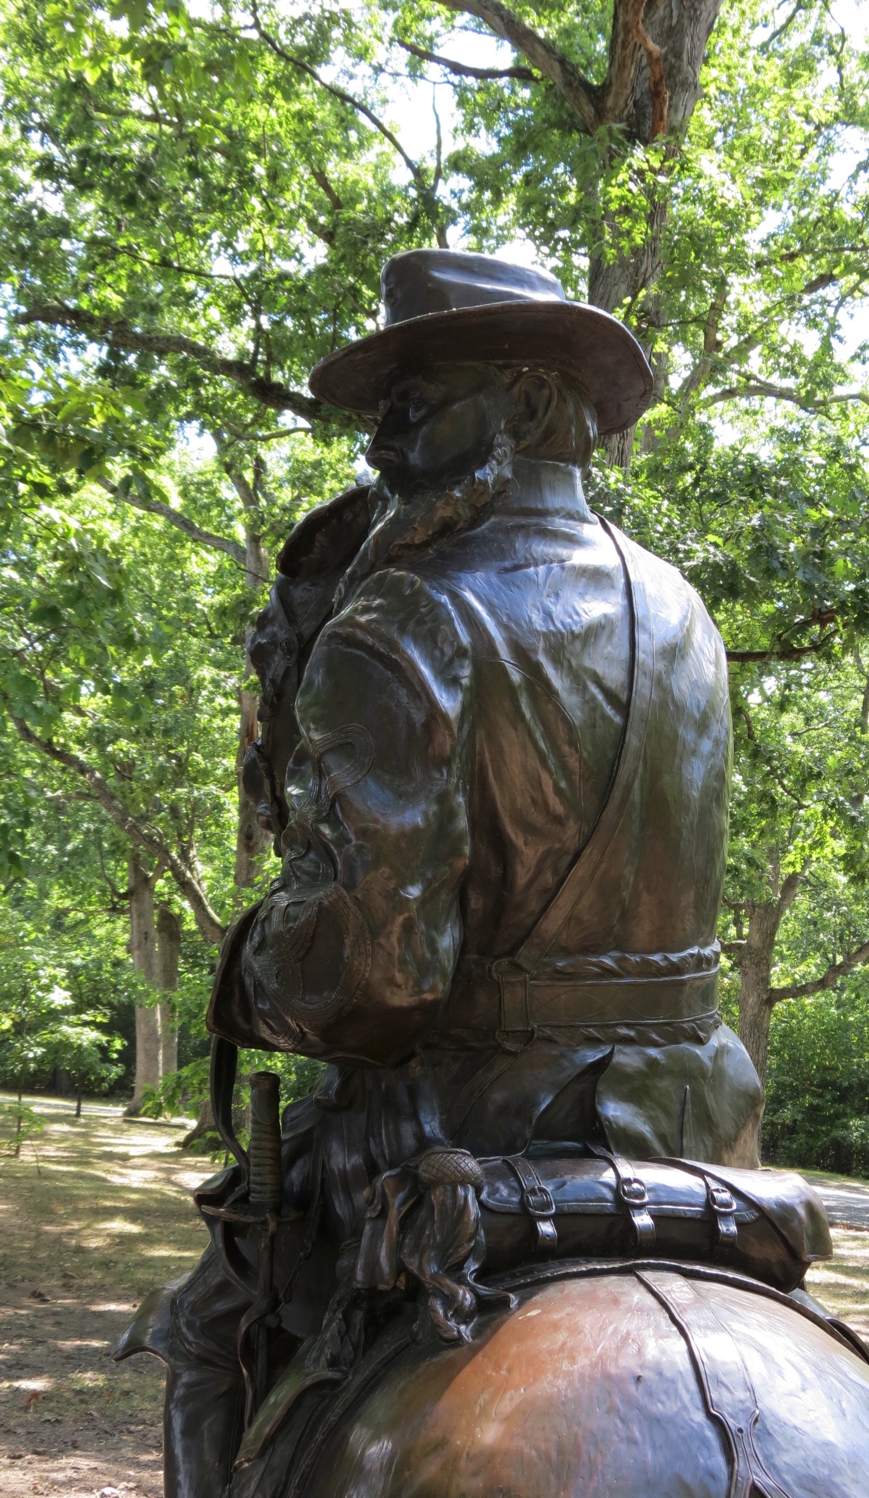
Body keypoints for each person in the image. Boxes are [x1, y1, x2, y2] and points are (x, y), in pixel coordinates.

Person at [116, 249, 764, 1498]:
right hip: (688, 1123)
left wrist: (246, 974)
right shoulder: (684, 609)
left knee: (208, 1331)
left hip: (464, 1128)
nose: (382, 441)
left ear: (526, 407)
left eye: (416, 399)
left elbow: (377, 977)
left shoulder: (404, 618)